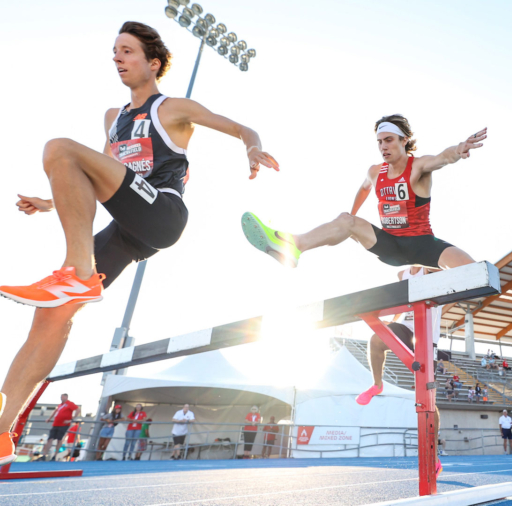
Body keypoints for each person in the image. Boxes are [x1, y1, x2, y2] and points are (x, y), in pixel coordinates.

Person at [0, 21, 279, 463]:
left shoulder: (174, 108)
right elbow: (92, 179)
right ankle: (2, 431)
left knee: (58, 147)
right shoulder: (114, 119)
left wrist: (252, 147)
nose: (117, 58)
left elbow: (242, 128)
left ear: (152, 64)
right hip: (129, 230)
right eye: (114, 51)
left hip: (163, 212)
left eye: (127, 51)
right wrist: (50, 202)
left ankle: (78, 272)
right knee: (50, 317)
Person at [241, 115, 486, 271]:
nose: (383, 147)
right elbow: (364, 188)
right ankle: (293, 247)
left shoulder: (418, 167)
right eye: (379, 142)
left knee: (475, 272)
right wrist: (350, 218)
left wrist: (459, 149)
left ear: (404, 140)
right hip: (389, 245)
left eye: (389, 140)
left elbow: (443, 158)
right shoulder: (375, 171)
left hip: (423, 245)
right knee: (346, 221)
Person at [354, 266, 445, 478]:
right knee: (377, 338)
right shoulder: (402, 274)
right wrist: (391, 322)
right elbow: (400, 301)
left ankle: (434, 454)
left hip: (427, 335)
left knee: (428, 398)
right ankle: (377, 384)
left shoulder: (432, 270)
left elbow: (446, 269)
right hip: (406, 327)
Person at [43, 393, 79, 461]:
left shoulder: (70, 403)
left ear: (66, 397)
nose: (61, 398)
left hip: (63, 425)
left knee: (59, 440)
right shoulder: (60, 405)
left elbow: (78, 409)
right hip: (55, 424)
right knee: (50, 439)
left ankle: (55, 456)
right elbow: (55, 411)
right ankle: (44, 455)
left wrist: (71, 419)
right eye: (61, 397)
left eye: (62, 397)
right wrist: (49, 418)